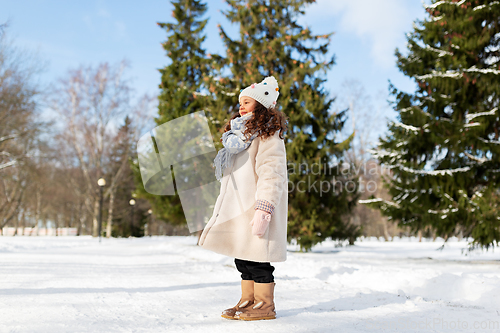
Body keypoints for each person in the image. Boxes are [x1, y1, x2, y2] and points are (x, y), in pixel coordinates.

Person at [198, 76, 289, 321]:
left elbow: (272, 171)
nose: (241, 107)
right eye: (240, 103)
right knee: (243, 257)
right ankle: (248, 300)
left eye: (247, 102)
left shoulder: (268, 135)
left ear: (259, 106)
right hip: (239, 208)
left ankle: (264, 305)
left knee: (258, 259)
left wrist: (265, 207)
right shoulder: (239, 136)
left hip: (257, 206)